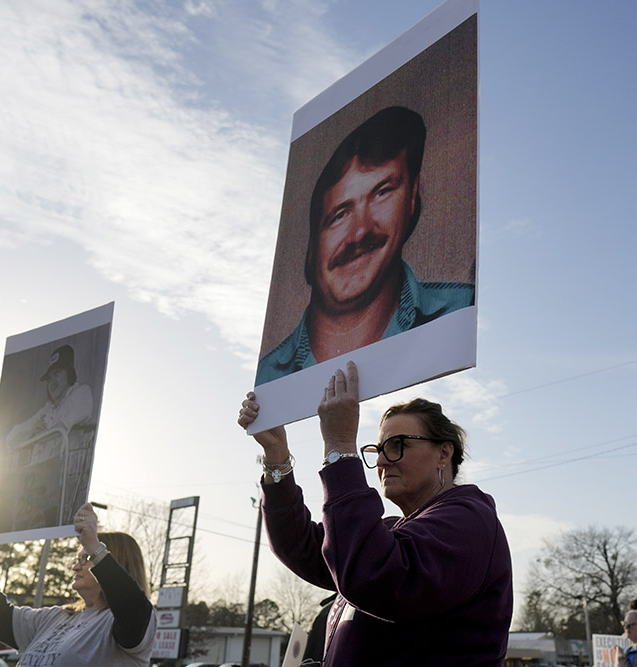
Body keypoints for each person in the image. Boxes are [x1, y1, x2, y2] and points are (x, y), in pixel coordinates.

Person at [238, 360, 513, 665]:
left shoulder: (470, 521)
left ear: (444, 453)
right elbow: (300, 546)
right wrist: (276, 456)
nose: (381, 462)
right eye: (378, 450)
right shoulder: (392, 532)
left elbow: (372, 575)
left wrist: (341, 447)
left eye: (397, 445)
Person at [256, 106, 475, 384]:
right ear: (311, 250)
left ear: (412, 198)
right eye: (339, 215)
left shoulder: (464, 312)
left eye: (382, 193)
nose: (360, 231)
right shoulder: (270, 378)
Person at [0, 502, 155, 665]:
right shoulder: (57, 617)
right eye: (76, 560)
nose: (75, 567)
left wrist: (93, 545)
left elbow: (132, 605)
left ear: (116, 564)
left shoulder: (129, 623)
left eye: (85, 559)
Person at [6, 344, 93, 448]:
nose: (52, 382)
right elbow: (10, 440)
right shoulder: (47, 409)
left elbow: (60, 429)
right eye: (49, 378)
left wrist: (34, 438)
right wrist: (31, 431)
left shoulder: (81, 393)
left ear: (69, 373)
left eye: (57, 373)